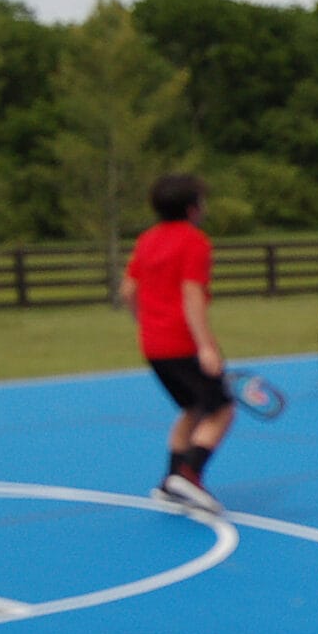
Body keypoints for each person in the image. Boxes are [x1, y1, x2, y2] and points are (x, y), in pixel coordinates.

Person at [119, 172, 234, 511]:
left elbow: (128, 291)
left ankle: (170, 482)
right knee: (222, 410)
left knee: (193, 408)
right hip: (183, 344)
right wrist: (207, 346)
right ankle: (189, 474)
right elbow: (191, 294)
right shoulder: (195, 242)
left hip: (153, 346)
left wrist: (147, 322)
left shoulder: (146, 240)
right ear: (192, 208)